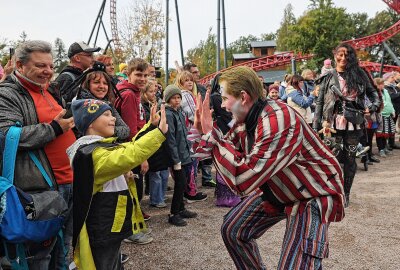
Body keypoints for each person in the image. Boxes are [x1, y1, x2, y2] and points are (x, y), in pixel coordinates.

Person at [193, 66, 345, 269]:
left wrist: (211, 136)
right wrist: (206, 133)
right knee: (233, 230)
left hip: (313, 192)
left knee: (297, 264)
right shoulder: (244, 119)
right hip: (280, 187)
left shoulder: (278, 121)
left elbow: (242, 179)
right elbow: (227, 148)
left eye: (225, 98)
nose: (222, 105)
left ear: (243, 97)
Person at [0, 40, 76, 269]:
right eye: (40, 66)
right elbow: (5, 135)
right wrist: (53, 129)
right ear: (20, 65)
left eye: (51, 66)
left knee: (63, 246)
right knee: (38, 254)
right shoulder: (7, 94)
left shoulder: (49, 89)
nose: (48, 71)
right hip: (37, 190)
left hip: (68, 181)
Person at [67, 98, 167, 270]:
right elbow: (130, 154)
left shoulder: (98, 147)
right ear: (90, 123)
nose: (113, 118)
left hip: (110, 225)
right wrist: (158, 133)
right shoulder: (91, 154)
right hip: (103, 227)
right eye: (106, 114)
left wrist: (150, 126)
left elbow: (129, 147)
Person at [314, 43, 380, 207]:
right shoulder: (328, 76)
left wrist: (370, 107)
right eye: (340, 55)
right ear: (335, 55)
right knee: (332, 159)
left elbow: (374, 95)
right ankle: (334, 193)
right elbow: (320, 102)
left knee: (350, 160)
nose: (344, 58)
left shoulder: (360, 74)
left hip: (354, 123)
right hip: (331, 124)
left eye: (347, 55)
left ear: (352, 57)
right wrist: (316, 127)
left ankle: (346, 194)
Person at [164, 85, 198, 226]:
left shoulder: (179, 112)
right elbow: (170, 138)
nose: (177, 100)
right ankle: (173, 213)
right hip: (177, 157)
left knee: (183, 183)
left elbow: (184, 134)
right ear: (168, 99)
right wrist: (175, 159)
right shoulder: (168, 114)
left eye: (179, 97)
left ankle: (181, 208)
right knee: (180, 183)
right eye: (174, 98)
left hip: (185, 154)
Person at [175, 71, 209, 201]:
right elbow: (193, 114)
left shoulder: (185, 94)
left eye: (190, 80)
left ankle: (190, 190)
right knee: (191, 162)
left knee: (191, 162)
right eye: (186, 80)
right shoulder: (185, 95)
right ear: (181, 83)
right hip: (191, 132)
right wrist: (203, 126)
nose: (189, 82)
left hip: (188, 132)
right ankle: (191, 192)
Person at [76, 67, 130, 140]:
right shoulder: (80, 106)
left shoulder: (107, 104)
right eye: (96, 82)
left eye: (105, 83)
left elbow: (125, 130)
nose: (101, 86)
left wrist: (103, 130)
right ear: (87, 84)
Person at [141, 79, 170, 208]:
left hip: (159, 143)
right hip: (151, 143)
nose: (154, 94)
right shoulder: (143, 107)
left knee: (163, 172)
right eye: (151, 91)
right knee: (156, 174)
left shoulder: (155, 104)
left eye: (155, 91)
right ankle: (156, 198)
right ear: (144, 92)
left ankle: (161, 196)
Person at [377, 76, 397, 157]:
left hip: (388, 115)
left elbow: (389, 102)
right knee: (380, 133)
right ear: (377, 85)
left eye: (383, 83)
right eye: (381, 84)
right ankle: (381, 149)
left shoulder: (385, 91)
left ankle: (385, 147)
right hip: (382, 115)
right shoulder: (376, 92)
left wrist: (393, 110)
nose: (383, 85)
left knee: (387, 132)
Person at [382, 71, 400, 149]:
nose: (393, 79)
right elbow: (392, 96)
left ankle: (392, 143)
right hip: (388, 110)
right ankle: (386, 144)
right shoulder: (386, 87)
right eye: (391, 77)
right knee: (387, 128)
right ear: (387, 78)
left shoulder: (392, 87)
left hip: (395, 109)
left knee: (392, 127)